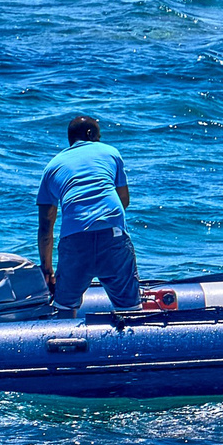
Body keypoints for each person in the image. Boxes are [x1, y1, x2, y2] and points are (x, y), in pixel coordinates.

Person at [36, 115, 140, 318]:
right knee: (130, 308)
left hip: (74, 239)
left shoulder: (51, 167)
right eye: (98, 137)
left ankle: (66, 345)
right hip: (112, 234)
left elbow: (45, 228)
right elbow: (123, 200)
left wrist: (47, 269)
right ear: (91, 134)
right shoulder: (111, 153)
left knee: (64, 307)